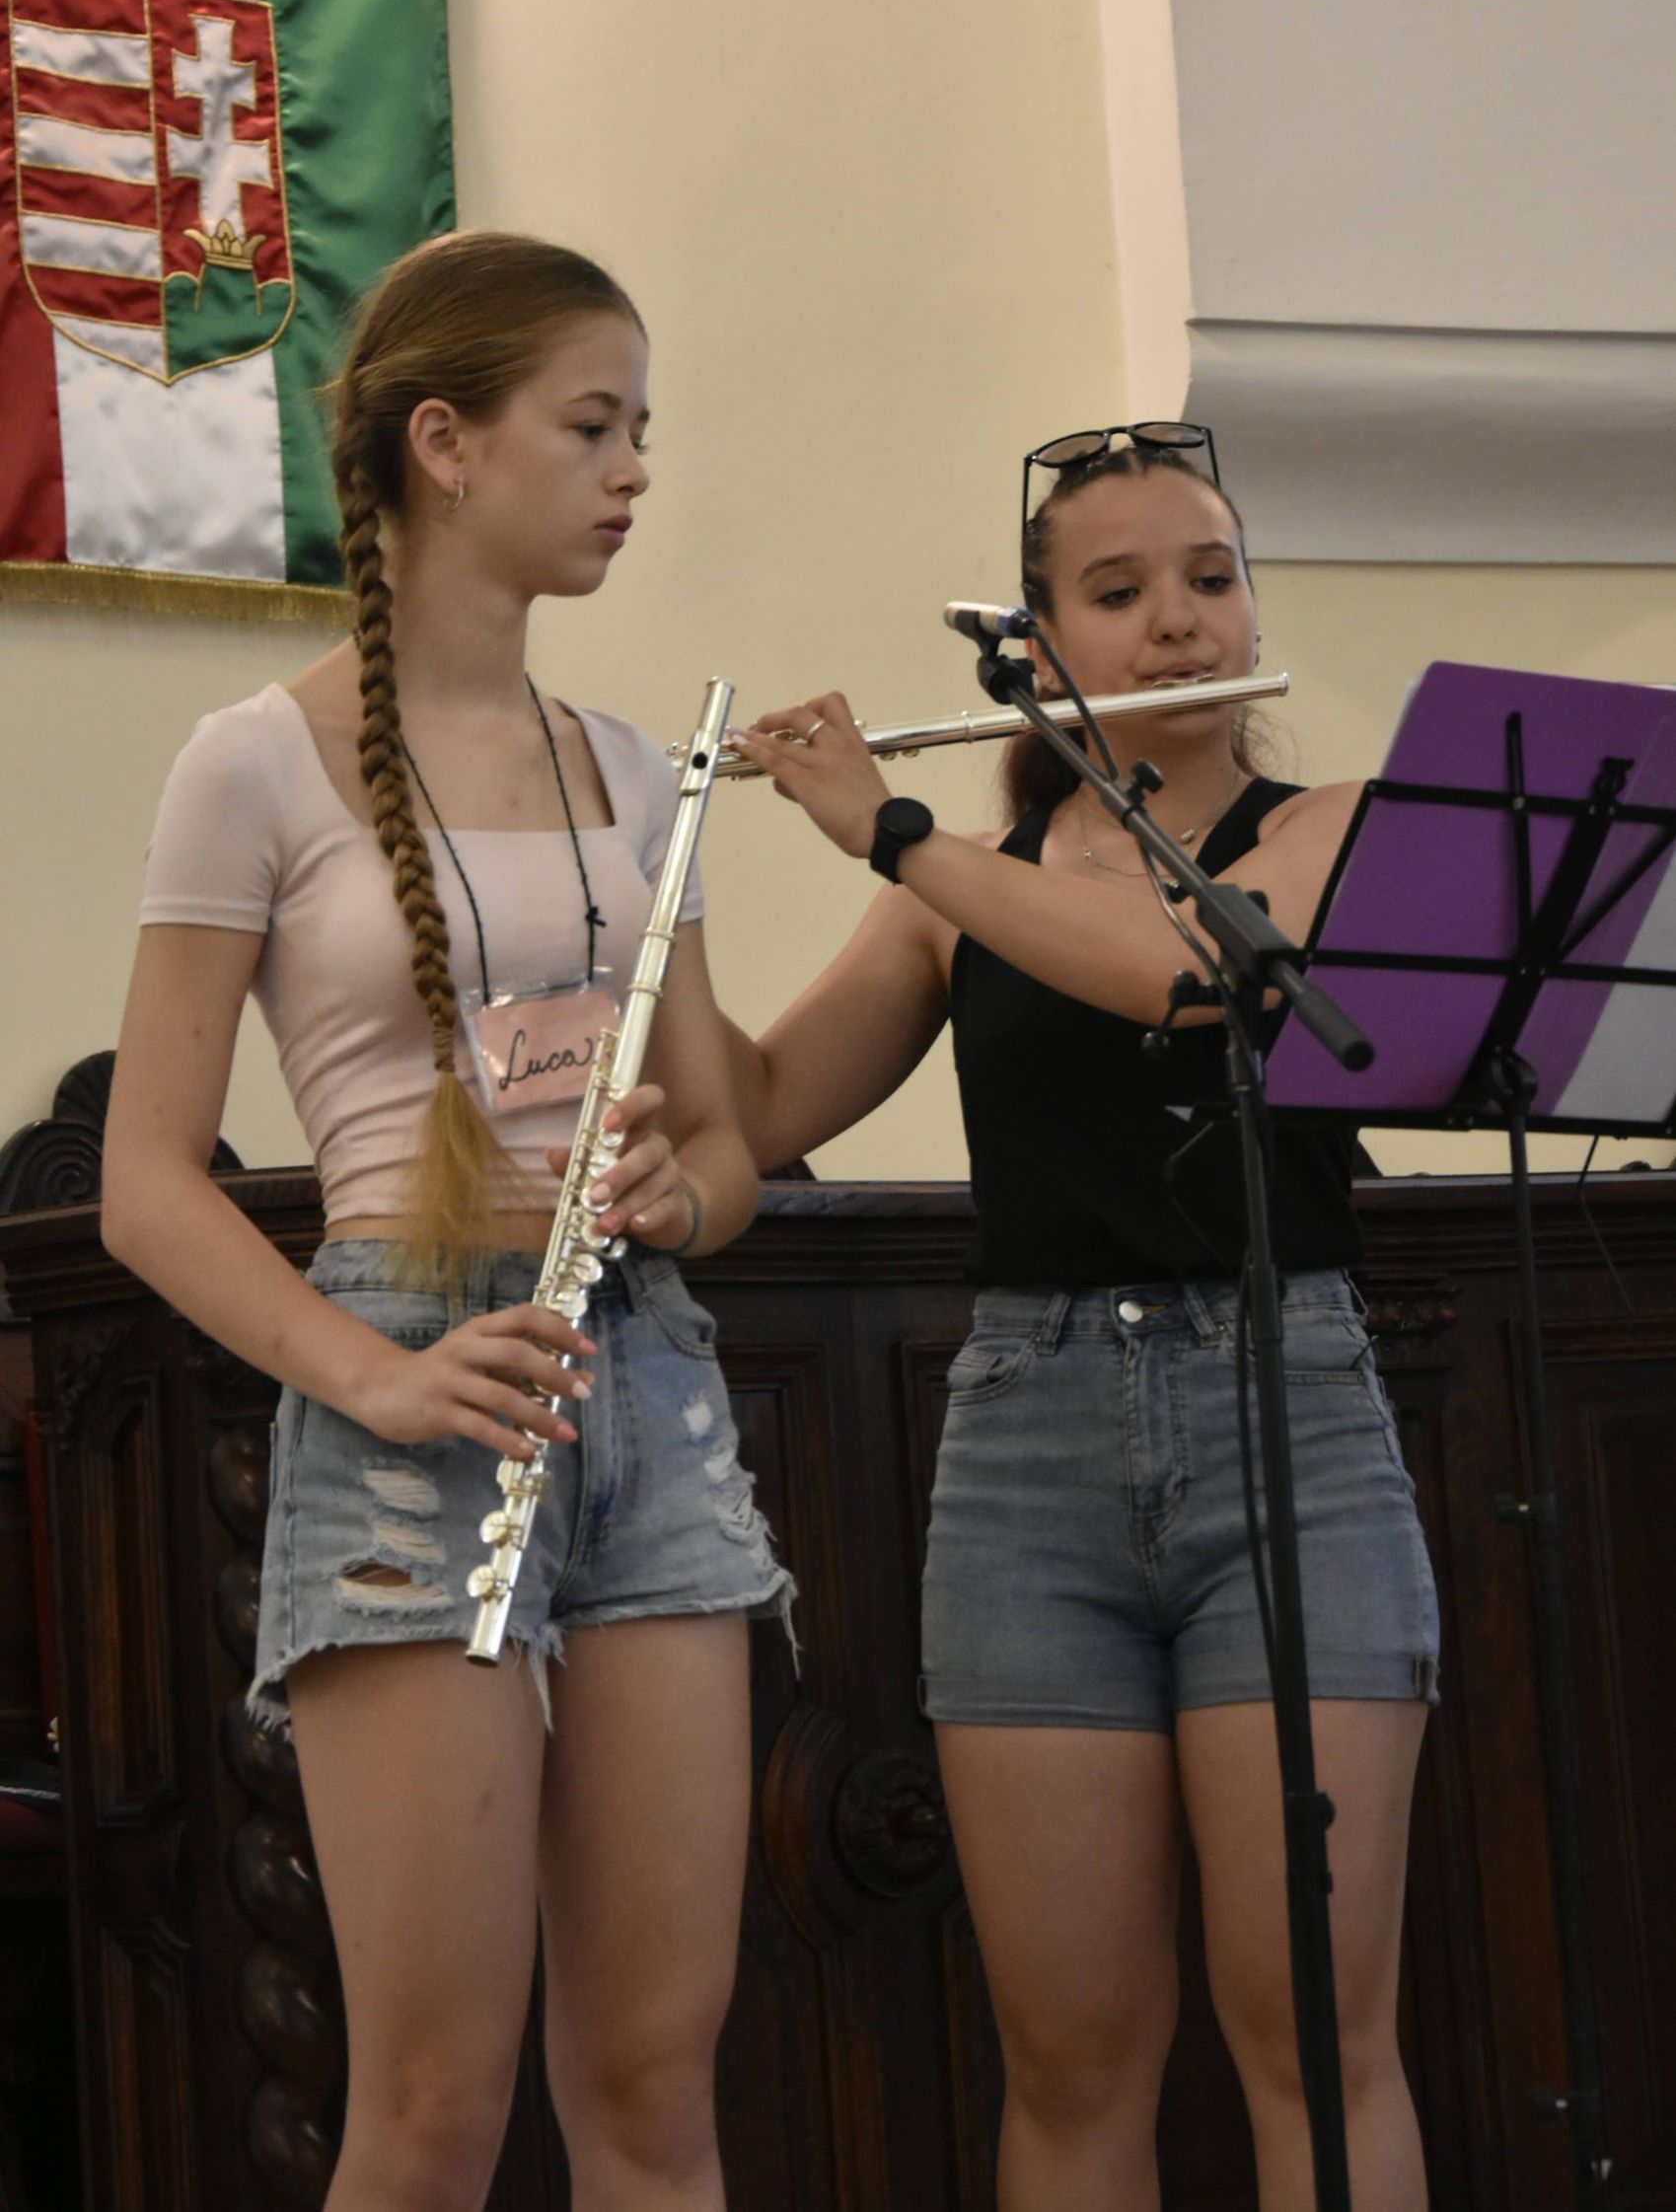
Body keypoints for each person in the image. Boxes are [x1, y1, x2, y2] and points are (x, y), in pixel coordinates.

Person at [102, 231, 791, 2212]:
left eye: (642, 429)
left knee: (656, 2084)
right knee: (427, 2110)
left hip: (643, 1377)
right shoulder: (251, 760)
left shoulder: (634, 770)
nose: (633, 469)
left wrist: (685, 1187)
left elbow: (730, 1142)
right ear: (444, 441)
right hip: (409, 1378)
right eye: (592, 425)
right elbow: (147, 1180)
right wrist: (376, 1380)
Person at [723, 427, 1437, 2211]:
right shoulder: (967, 886)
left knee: (1317, 2041)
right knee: (1071, 2059)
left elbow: (1194, 971)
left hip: (1292, 1411)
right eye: (1119, 592)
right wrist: (637, 885)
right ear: (1036, 651)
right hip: (1028, 1444)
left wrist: (891, 832)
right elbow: (757, 1109)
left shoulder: (1330, 825)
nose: (1181, 621)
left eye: (1212, 576)